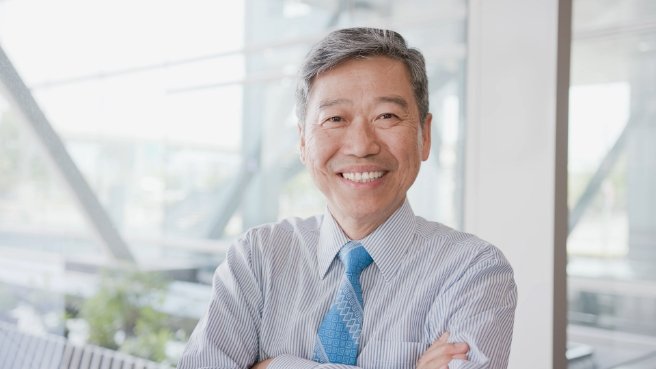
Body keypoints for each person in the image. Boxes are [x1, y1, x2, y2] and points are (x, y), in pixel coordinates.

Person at [178, 27, 517, 369]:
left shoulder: (472, 271)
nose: (361, 145)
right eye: (335, 119)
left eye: (386, 116)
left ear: (424, 135)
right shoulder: (257, 258)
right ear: (302, 142)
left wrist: (275, 365)